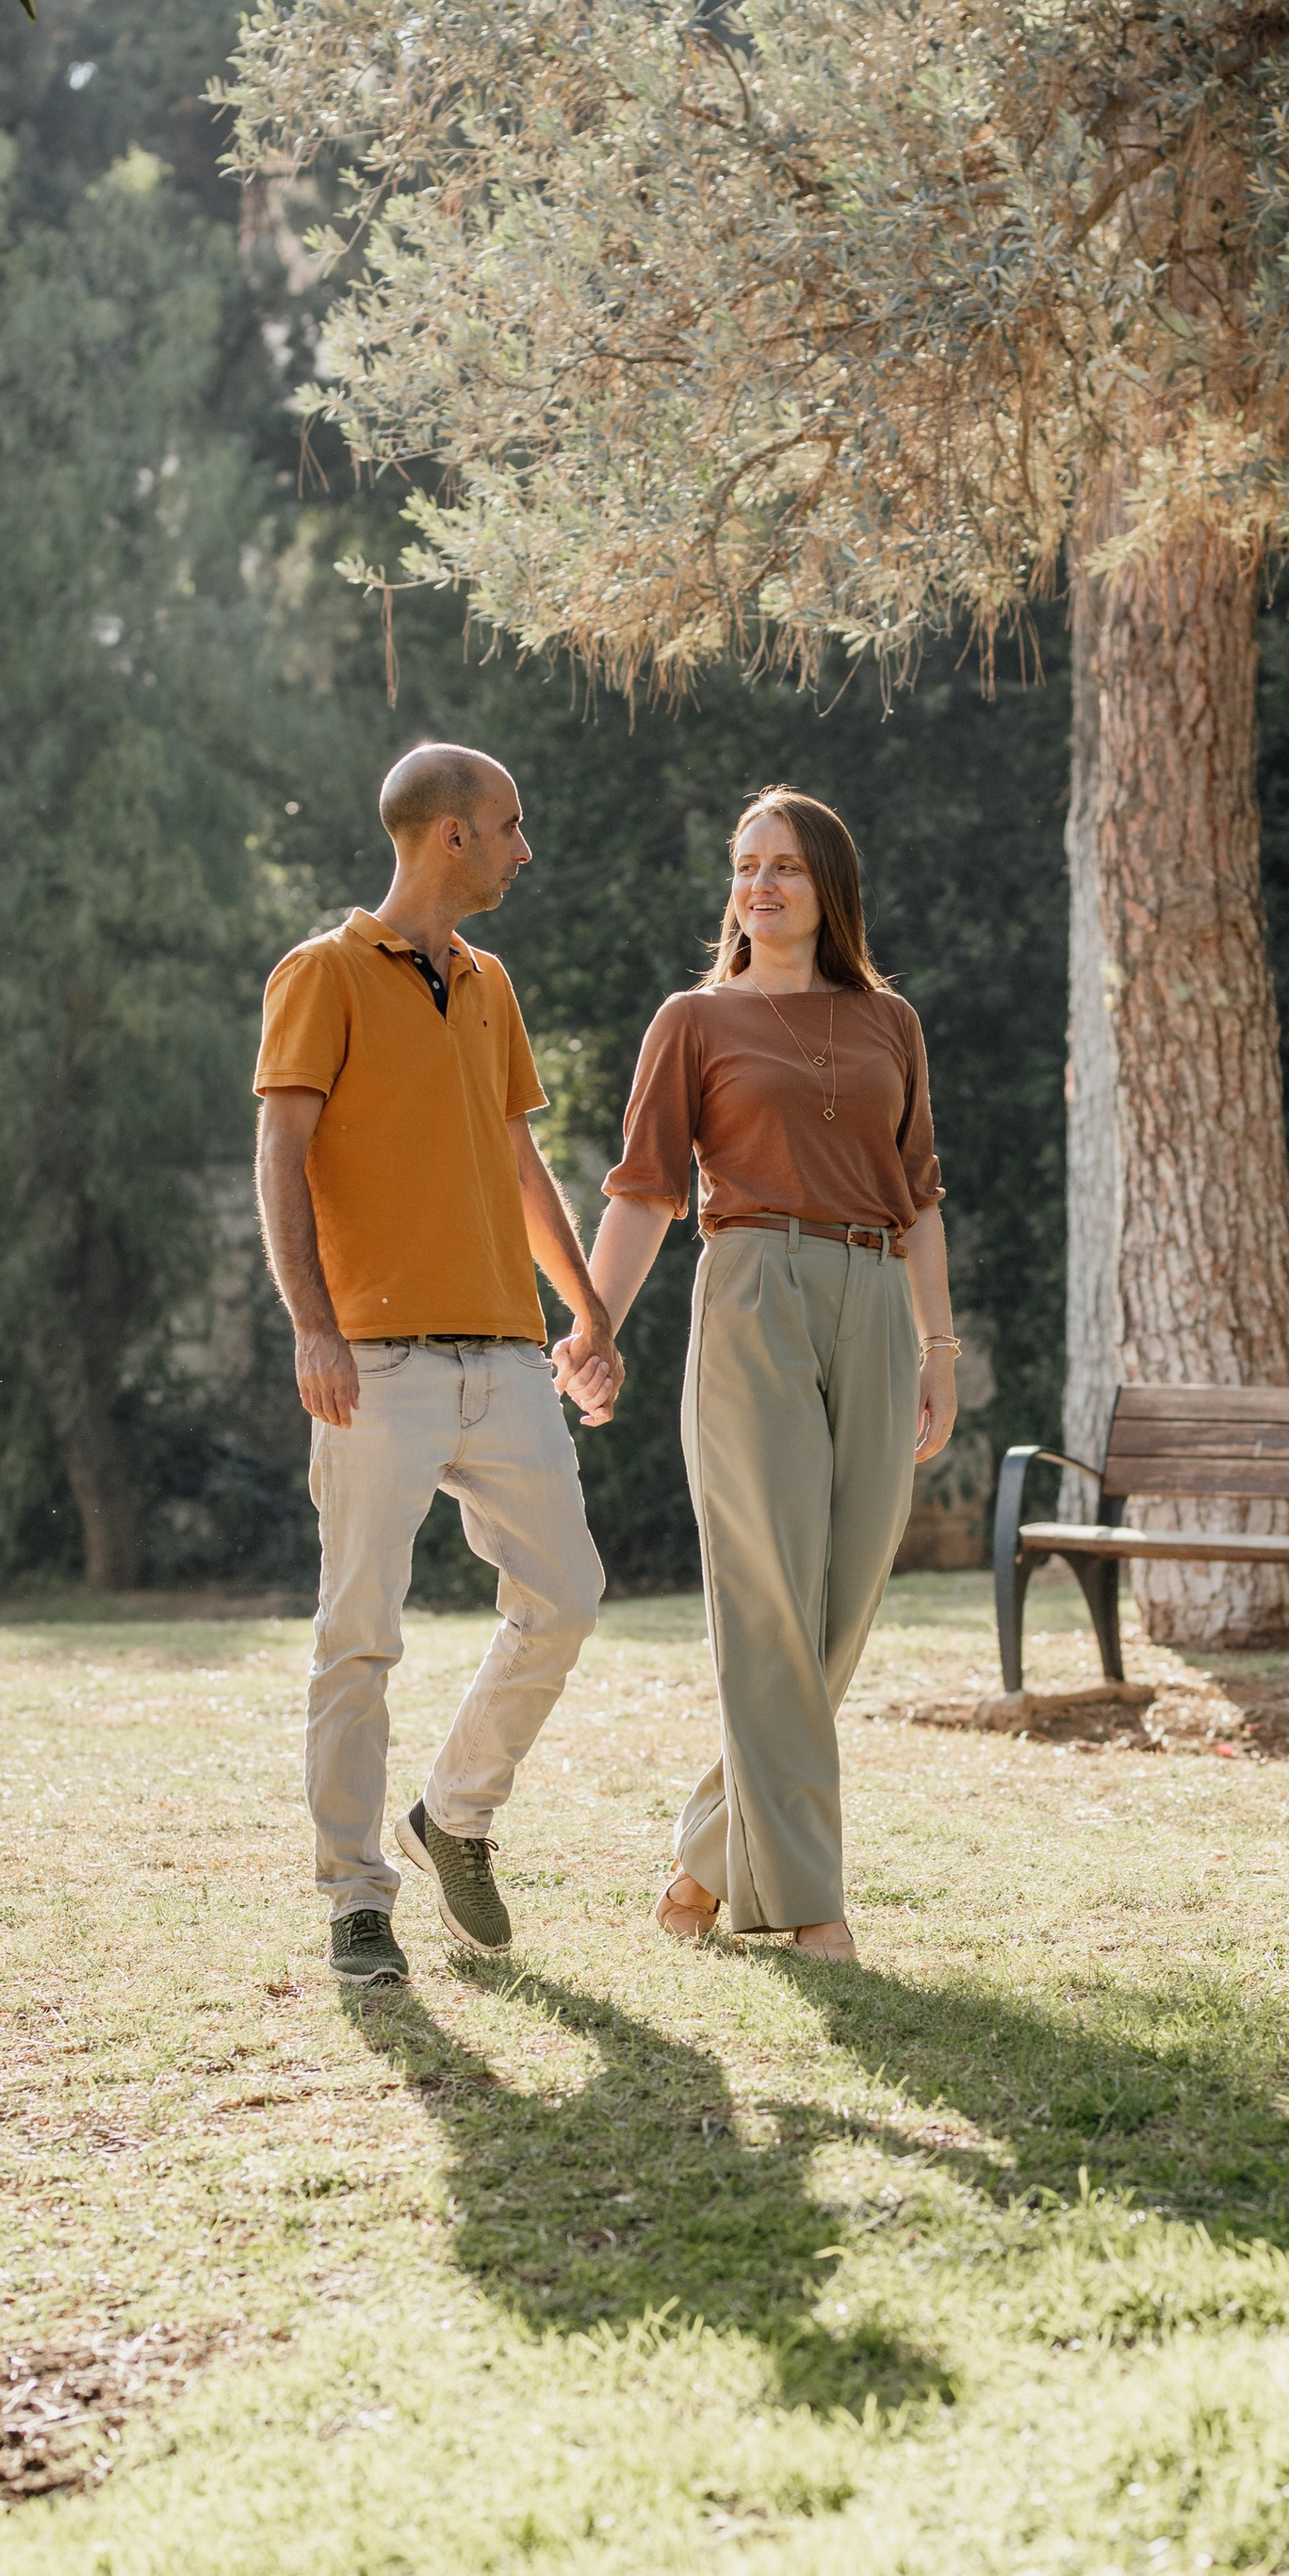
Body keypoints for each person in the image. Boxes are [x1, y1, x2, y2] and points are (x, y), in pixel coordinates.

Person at [253, 744, 619, 1984]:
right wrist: (312, 1323)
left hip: (508, 1356)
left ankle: (452, 1814)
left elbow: (520, 1167)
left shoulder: (490, 983)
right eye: (510, 826)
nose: (526, 847)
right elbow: (282, 1159)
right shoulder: (320, 973)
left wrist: (586, 1310)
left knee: (565, 1589)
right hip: (375, 1364)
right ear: (449, 834)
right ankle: (357, 1898)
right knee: (360, 1633)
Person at [588, 788, 957, 1962]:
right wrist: (595, 1325)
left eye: (785, 866)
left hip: (872, 1303)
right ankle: (809, 1907)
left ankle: (704, 1862)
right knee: (768, 1606)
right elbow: (645, 1190)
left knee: (840, 1605)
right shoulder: (694, 1020)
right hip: (751, 1291)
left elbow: (920, 1199)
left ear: (828, 886)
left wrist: (937, 1346)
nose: (760, 885)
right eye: (746, 866)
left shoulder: (889, 1022)